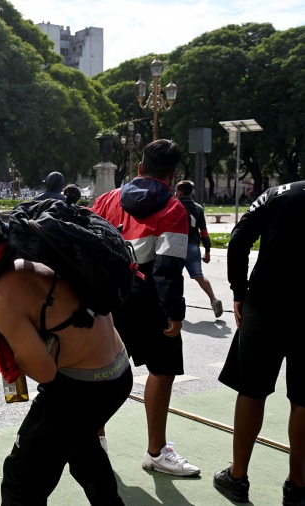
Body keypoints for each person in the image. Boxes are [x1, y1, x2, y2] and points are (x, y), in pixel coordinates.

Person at [0, 202, 131, 505]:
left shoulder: (0, 299)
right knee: (83, 450)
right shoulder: (28, 247)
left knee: (22, 482)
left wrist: (5, 350)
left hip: (82, 390)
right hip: (115, 371)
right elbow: (22, 295)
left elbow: (43, 371)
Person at [91, 139, 199, 476]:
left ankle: (95, 440)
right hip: (148, 298)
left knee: (100, 369)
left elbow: (89, 246)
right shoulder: (173, 208)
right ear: (173, 173)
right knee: (162, 370)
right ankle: (155, 451)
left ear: (140, 168)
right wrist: (174, 312)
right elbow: (167, 267)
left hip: (107, 297)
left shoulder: (106, 200)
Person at [212, 181, 305, 505]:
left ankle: (237, 477)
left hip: (266, 301)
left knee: (252, 389)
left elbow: (238, 240)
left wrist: (239, 291)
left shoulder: (280, 193)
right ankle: (298, 485)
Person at [175, 180, 223, 318]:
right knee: (199, 276)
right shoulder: (198, 208)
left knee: (174, 276)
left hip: (177, 246)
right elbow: (204, 231)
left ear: (180, 192)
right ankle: (213, 299)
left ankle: (176, 305)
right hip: (193, 247)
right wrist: (207, 251)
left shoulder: (175, 206)